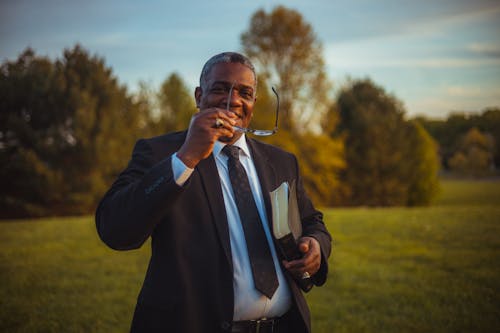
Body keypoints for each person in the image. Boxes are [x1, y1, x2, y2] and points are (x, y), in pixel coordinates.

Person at [95, 52, 332, 333]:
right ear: (199, 96)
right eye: (220, 88)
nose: (232, 100)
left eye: (245, 93)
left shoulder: (281, 162)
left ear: (253, 103)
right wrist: (185, 159)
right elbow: (115, 229)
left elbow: (312, 221)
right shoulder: (159, 153)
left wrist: (316, 245)